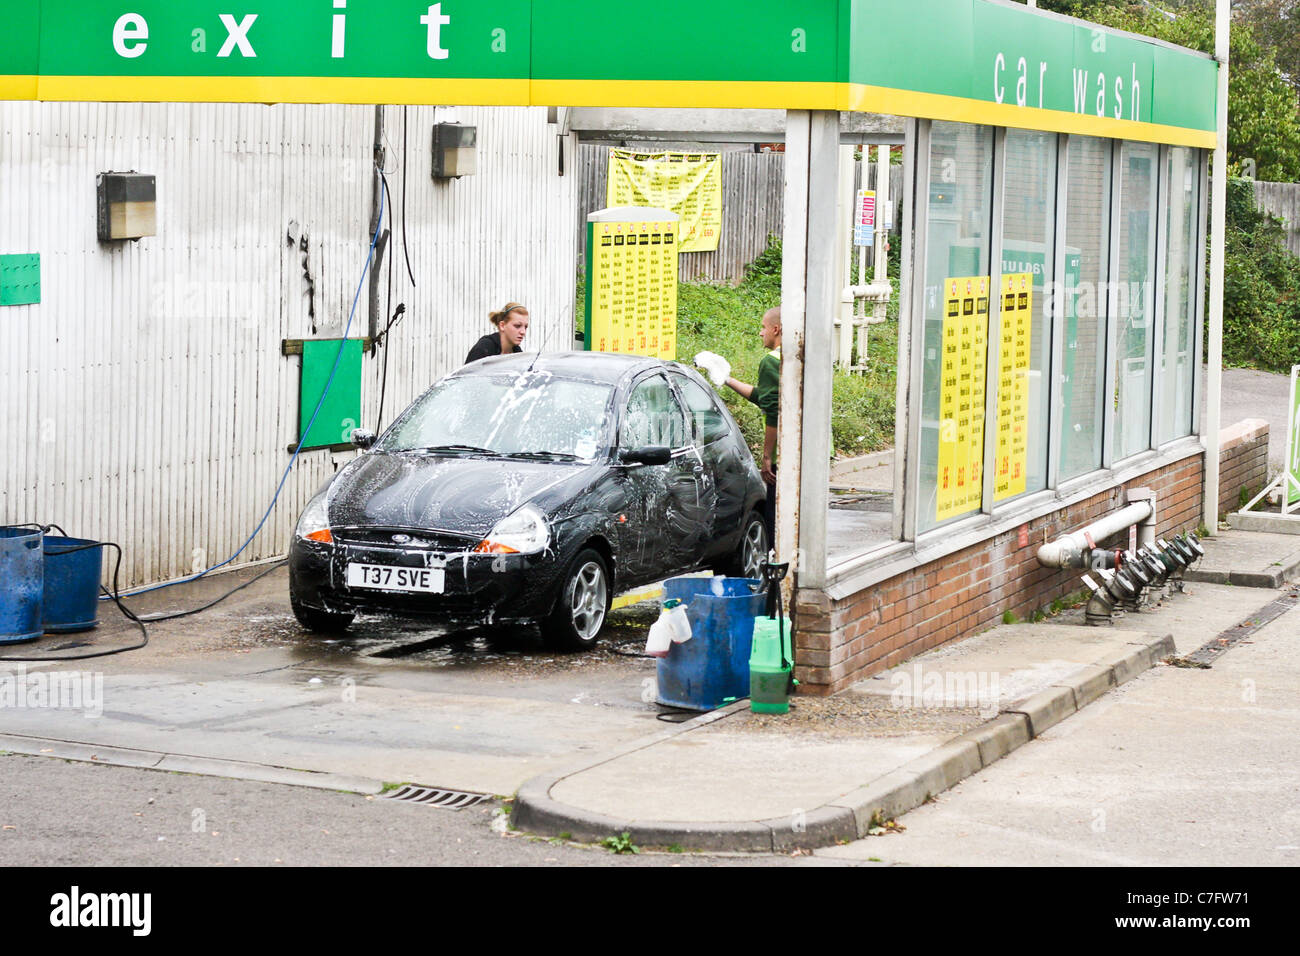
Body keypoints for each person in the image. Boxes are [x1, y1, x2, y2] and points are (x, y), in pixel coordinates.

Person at [721, 306, 781, 539]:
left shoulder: (770, 361)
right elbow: (763, 396)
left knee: (775, 517)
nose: (760, 333)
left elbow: (773, 409)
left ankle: (776, 565)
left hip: (783, 454)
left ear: (776, 329)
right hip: (811, 450)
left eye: (763, 327)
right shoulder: (796, 355)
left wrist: (766, 456)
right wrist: (727, 379)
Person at [465, 302, 529, 364]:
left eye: (525, 327)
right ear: (502, 325)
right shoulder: (485, 348)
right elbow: (465, 374)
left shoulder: (517, 353)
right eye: (517, 326)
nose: (523, 332)